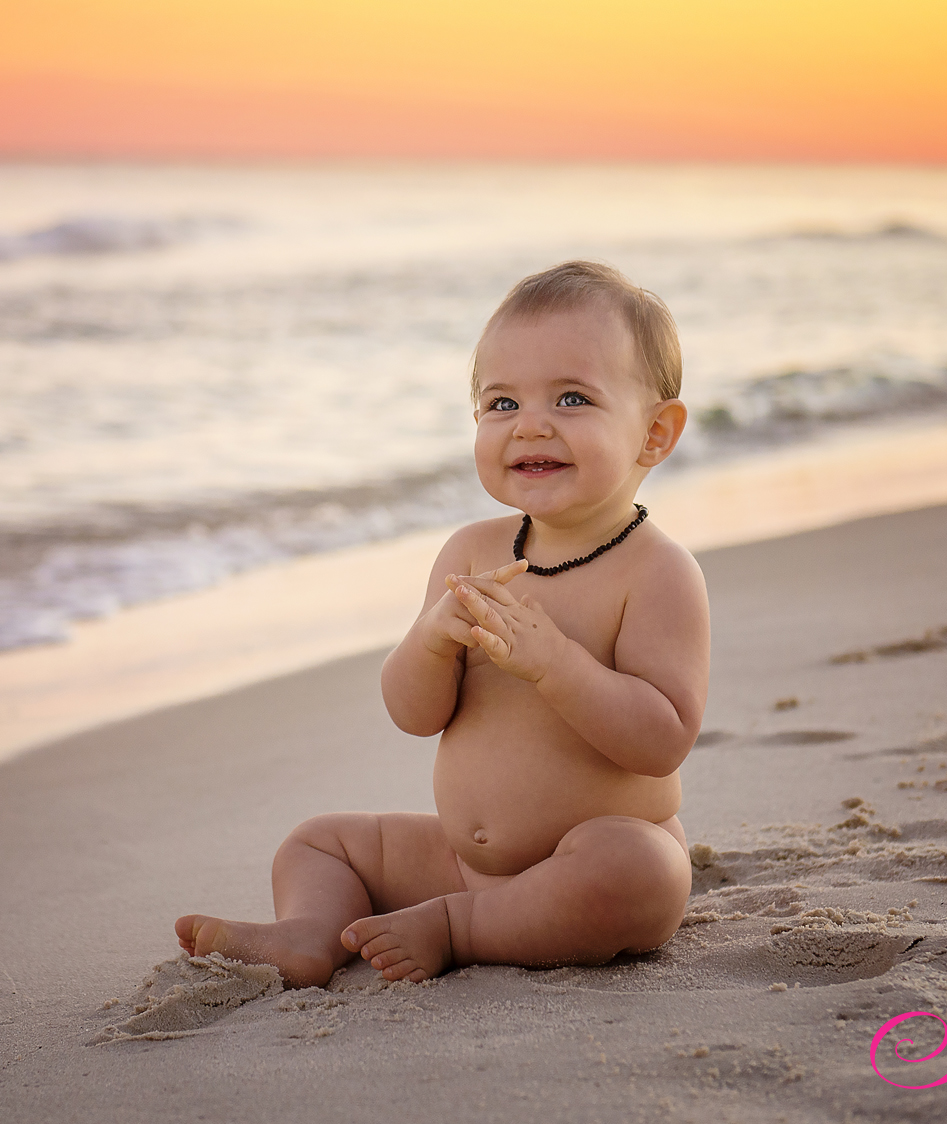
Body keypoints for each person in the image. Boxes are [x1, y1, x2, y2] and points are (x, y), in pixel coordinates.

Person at [176, 260, 709, 985]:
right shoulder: (471, 553)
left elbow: (662, 739)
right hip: (461, 860)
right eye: (501, 404)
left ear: (655, 433)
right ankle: (306, 934)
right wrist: (429, 644)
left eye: (573, 397)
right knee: (319, 842)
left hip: (586, 860)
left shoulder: (655, 573)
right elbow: (414, 714)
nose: (531, 425)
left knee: (645, 873)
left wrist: (556, 664)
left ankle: (459, 927)